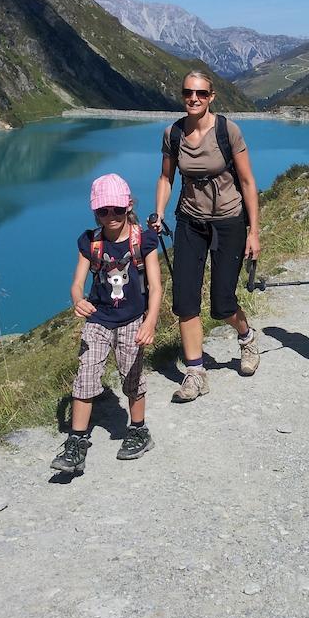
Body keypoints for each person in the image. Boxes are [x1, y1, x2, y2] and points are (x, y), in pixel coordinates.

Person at [151, 70, 261, 403]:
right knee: (185, 298)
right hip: (190, 222)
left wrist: (253, 231)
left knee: (222, 302)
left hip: (229, 221)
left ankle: (247, 336)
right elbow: (166, 178)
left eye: (200, 93)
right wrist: (158, 212)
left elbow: (247, 182)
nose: (193, 98)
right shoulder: (173, 134)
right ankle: (195, 372)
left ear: (212, 96)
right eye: (188, 93)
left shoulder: (228, 131)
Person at [51, 173, 162, 473]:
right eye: (103, 211)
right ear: (95, 211)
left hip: (132, 319)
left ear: (128, 205)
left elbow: (156, 286)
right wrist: (78, 300)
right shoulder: (90, 242)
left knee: (132, 375)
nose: (110, 216)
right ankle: (76, 442)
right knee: (86, 374)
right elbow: (77, 283)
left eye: (116, 209)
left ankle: (138, 429)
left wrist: (150, 321)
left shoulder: (144, 240)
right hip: (98, 319)